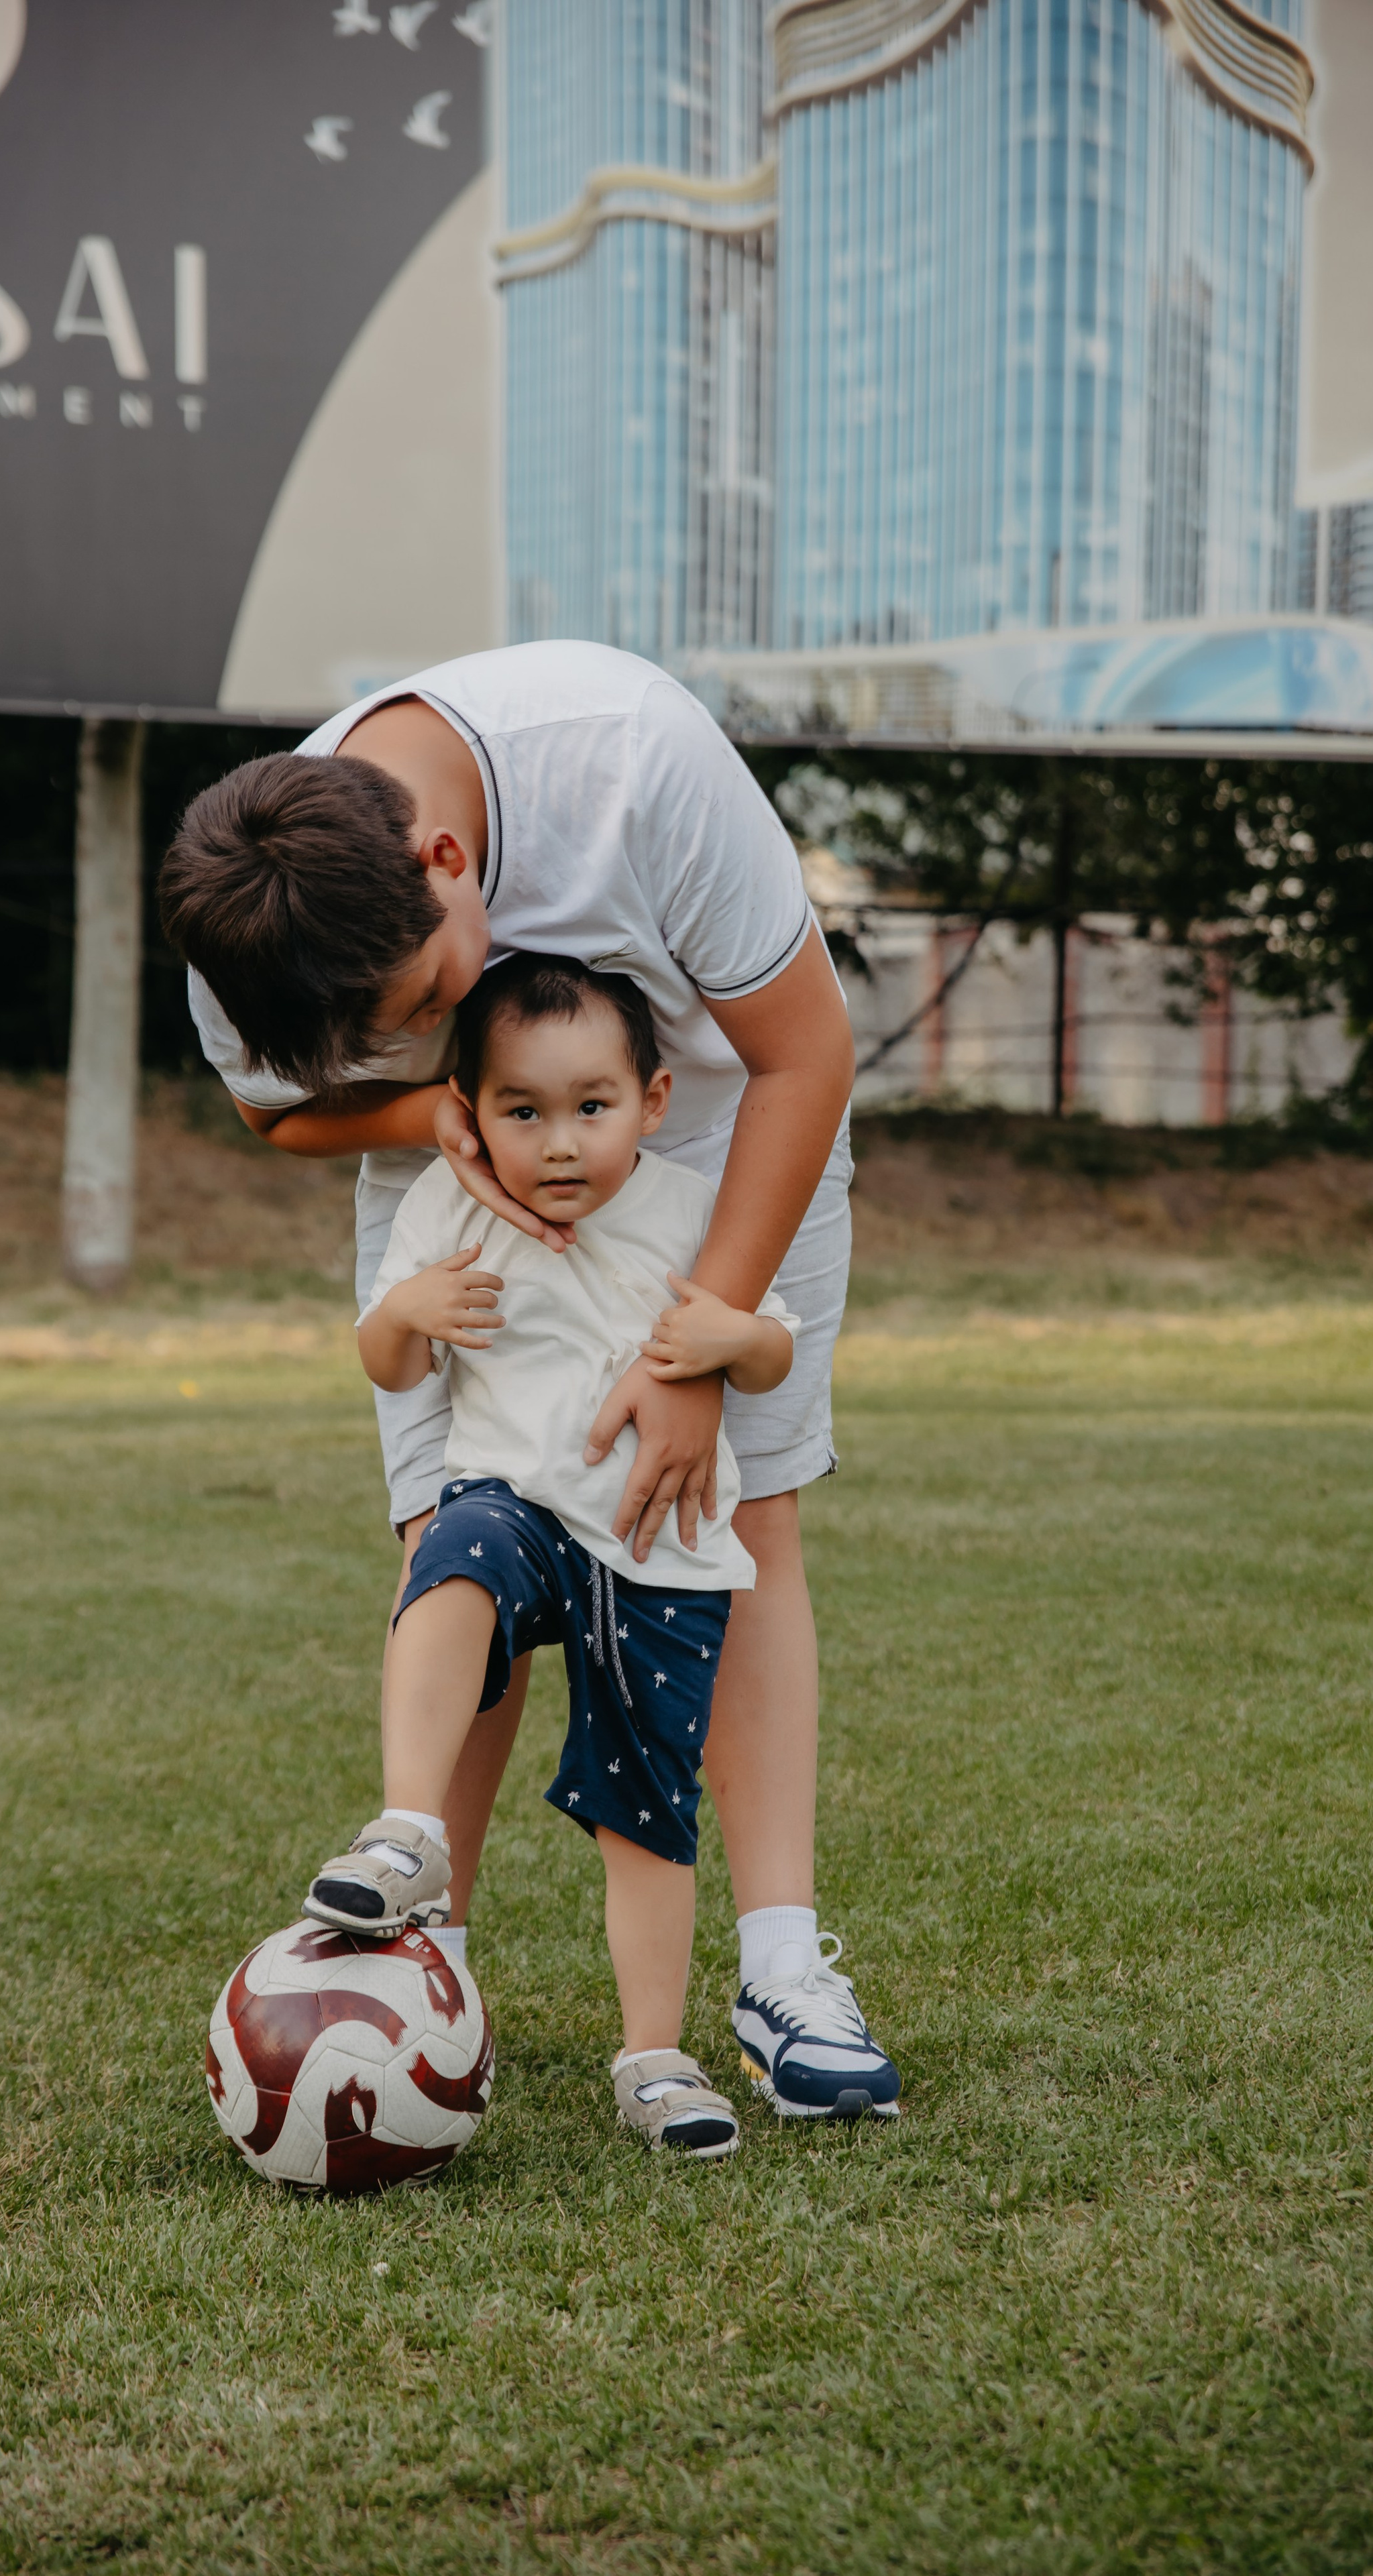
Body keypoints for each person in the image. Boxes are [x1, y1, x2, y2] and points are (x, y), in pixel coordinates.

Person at [160, 640, 899, 2122]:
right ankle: (422, 1959)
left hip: (717, 1129)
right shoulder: (253, 920)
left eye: (424, 992)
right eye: (379, 1035)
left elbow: (805, 1055)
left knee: (733, 1526)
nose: (409, 1025)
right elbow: (274, 1116)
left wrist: (699, 1342)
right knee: (461, 1526)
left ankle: (775, 1974)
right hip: (460, 1161)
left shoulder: (630, 756)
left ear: (444, 859)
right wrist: (433, 1101)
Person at [313, 954, 800, 2153]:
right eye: (522, 1112)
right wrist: (403, 1319)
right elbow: (387, 1360)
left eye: (593, 1106)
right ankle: (408, 1828)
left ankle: (655, 2056)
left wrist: (733, 1331)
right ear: (470, 1115)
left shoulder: (692, 1210)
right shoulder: (450, 1204)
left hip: (658, 1548)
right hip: (516, 1502)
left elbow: (775, 1349)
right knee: (452, 1559)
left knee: (648, 1811)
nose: (562, 1142)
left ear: (654, 1098)